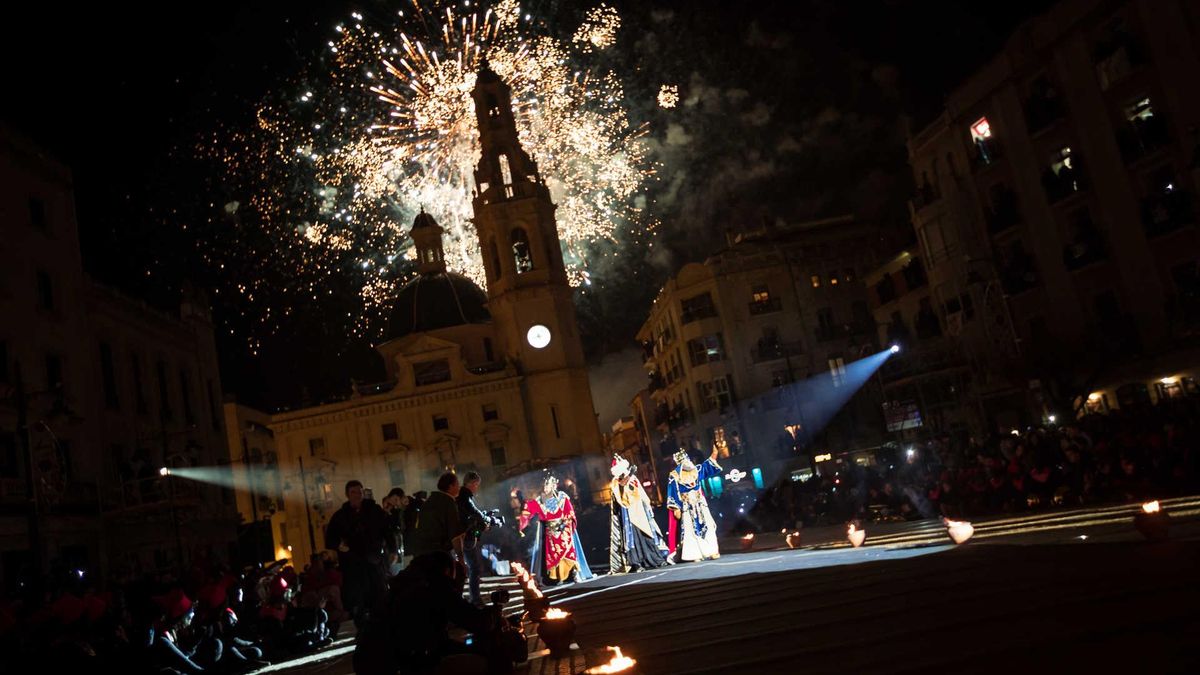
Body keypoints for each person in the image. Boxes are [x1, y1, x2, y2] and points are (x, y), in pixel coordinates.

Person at [323, 480, 394, 628]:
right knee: (357, 599)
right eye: (353, 492)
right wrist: (339, 546)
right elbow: (330, 538)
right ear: (347, 495)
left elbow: (387, 531)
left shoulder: (374, 511)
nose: (357, 495)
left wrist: (393, 550)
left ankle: (382, 626)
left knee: (378, 595)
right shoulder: (340, 516)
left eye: (359, 492)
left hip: (373, 560)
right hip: (352, 564)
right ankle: (362, 628)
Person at [519, 472, 593, 585]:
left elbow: (570, 512)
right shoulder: (539, 500)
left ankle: (574, 573)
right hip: (550, 532)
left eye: (547, 485)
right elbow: (528, 510)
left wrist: (565, 523)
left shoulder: (562, 497)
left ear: (553, 486)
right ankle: (558, 577)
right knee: (554, 556)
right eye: (544, 486)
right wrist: (523, 521)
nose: (545, 488)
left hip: (564, 529)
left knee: (569, 553)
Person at [608, 455, 670, 573]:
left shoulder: (632, 478)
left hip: (640, 510)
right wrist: (629, 476)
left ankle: (656, 559)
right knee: (633, 539)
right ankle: (636, 563)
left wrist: (647, 505)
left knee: (648, 534)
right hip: (629, 514)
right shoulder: (616, 482)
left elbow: (640, 492)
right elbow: (621, 497)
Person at [667, 448, 722, 562]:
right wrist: (676, 508)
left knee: (708, 527)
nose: (685, 462)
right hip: (687, 506)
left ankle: (712, 550)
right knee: (691, 530)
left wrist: (714, 454)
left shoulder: (696, 470)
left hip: (700, 504)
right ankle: (694, 554)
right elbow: (673, 491)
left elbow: (707, 467)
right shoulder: (675, 476)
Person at [457, 471, 500, 606]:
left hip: (466, 536)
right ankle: (474, 599)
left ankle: (469, 597)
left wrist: (487, 515)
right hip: (466, 537)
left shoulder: (464, 496)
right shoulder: (465, 496)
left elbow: (475, 513)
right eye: (476, 484)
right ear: (471, 483)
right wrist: (489, 519)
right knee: (473, 568)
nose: (477, 487)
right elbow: (475, 513)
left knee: (469, 567)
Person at [410, 473, 466, 564]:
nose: (459, 487)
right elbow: (455, 535)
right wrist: (461, 560)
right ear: (450, 486)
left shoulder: (429, 501)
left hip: (420, 552)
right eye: (457, 484)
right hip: (438, 553)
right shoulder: (448, 502)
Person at [381, 488, 408, 577]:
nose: (396, 504)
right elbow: (387, 532)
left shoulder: (395, 513)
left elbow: (400, 527)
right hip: (389, 551)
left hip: (396, 550)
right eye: (396, 500)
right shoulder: (383, 514)